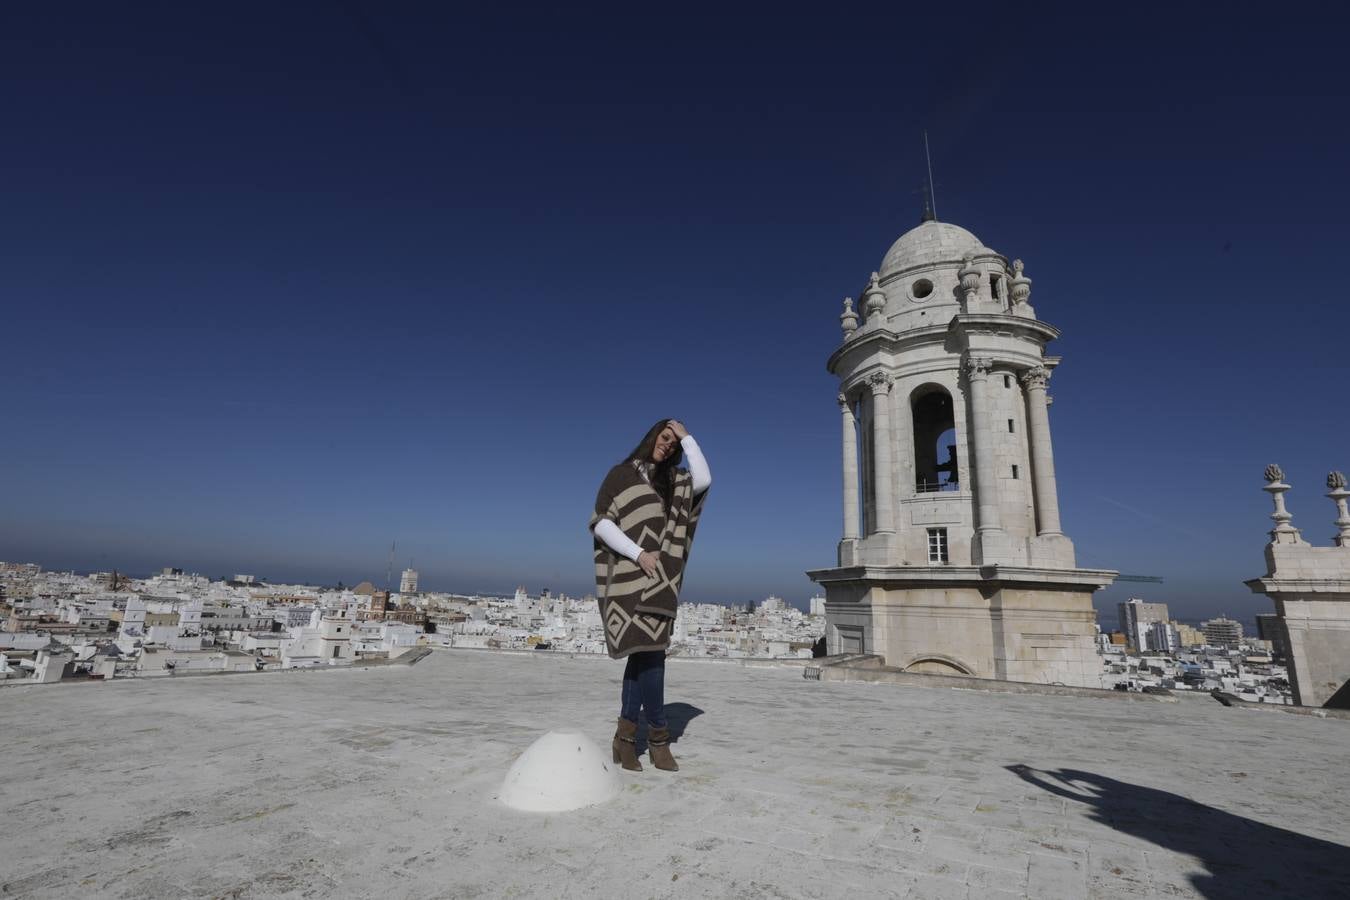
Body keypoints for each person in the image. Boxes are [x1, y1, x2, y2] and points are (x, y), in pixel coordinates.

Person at [589, 418, 711, 772]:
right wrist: (638, 553)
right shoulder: (620, 474)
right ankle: (657, 737)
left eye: (674, 443)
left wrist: (689, 438)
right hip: (629, 577)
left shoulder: (673, 482)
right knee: (649, 656)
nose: (668, 445)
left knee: (646, 655)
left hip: (659, 581)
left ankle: (626, 738)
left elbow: (704, 479)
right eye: (665, 437)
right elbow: (601, 522)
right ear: (652, 435)